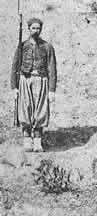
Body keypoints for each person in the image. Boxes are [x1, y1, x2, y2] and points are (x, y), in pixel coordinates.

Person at [10, 18, 57, 153]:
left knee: (40, 110)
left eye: (38, 28)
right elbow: (15, 67)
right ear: (29, 29)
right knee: (25, 108)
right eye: (33, 28)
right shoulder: (22, 46)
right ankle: (27, 139)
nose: (36, 31)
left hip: (41, 80)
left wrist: (52, 90)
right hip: (25, 80)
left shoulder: (47, 47)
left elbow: (52, 69)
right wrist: (14, 87)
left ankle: (37, 140)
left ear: (41, 29)